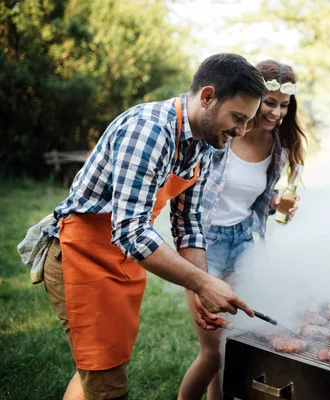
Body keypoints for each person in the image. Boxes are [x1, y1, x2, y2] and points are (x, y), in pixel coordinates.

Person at [17, 53, 266, 400]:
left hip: (122, 260)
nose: (241, 131)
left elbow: (189, 224)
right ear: (207, 97)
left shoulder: (205, 144)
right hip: (83, 255)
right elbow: (131, 230)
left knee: (101, 366)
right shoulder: (150, 129)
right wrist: (203, 283)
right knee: (107, 384)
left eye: (247, 122)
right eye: (238, 118)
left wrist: (200, 291)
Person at [178, 59, 307, 400]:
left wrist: (276, 203)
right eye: (270, 103)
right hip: (206, 243)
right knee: (211, 352)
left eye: (283, 105)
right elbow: (192, 194)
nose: (277, 112)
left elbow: (248, 198)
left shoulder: (277, 145)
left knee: (236, 344)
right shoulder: (220, 132)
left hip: (243, 242)